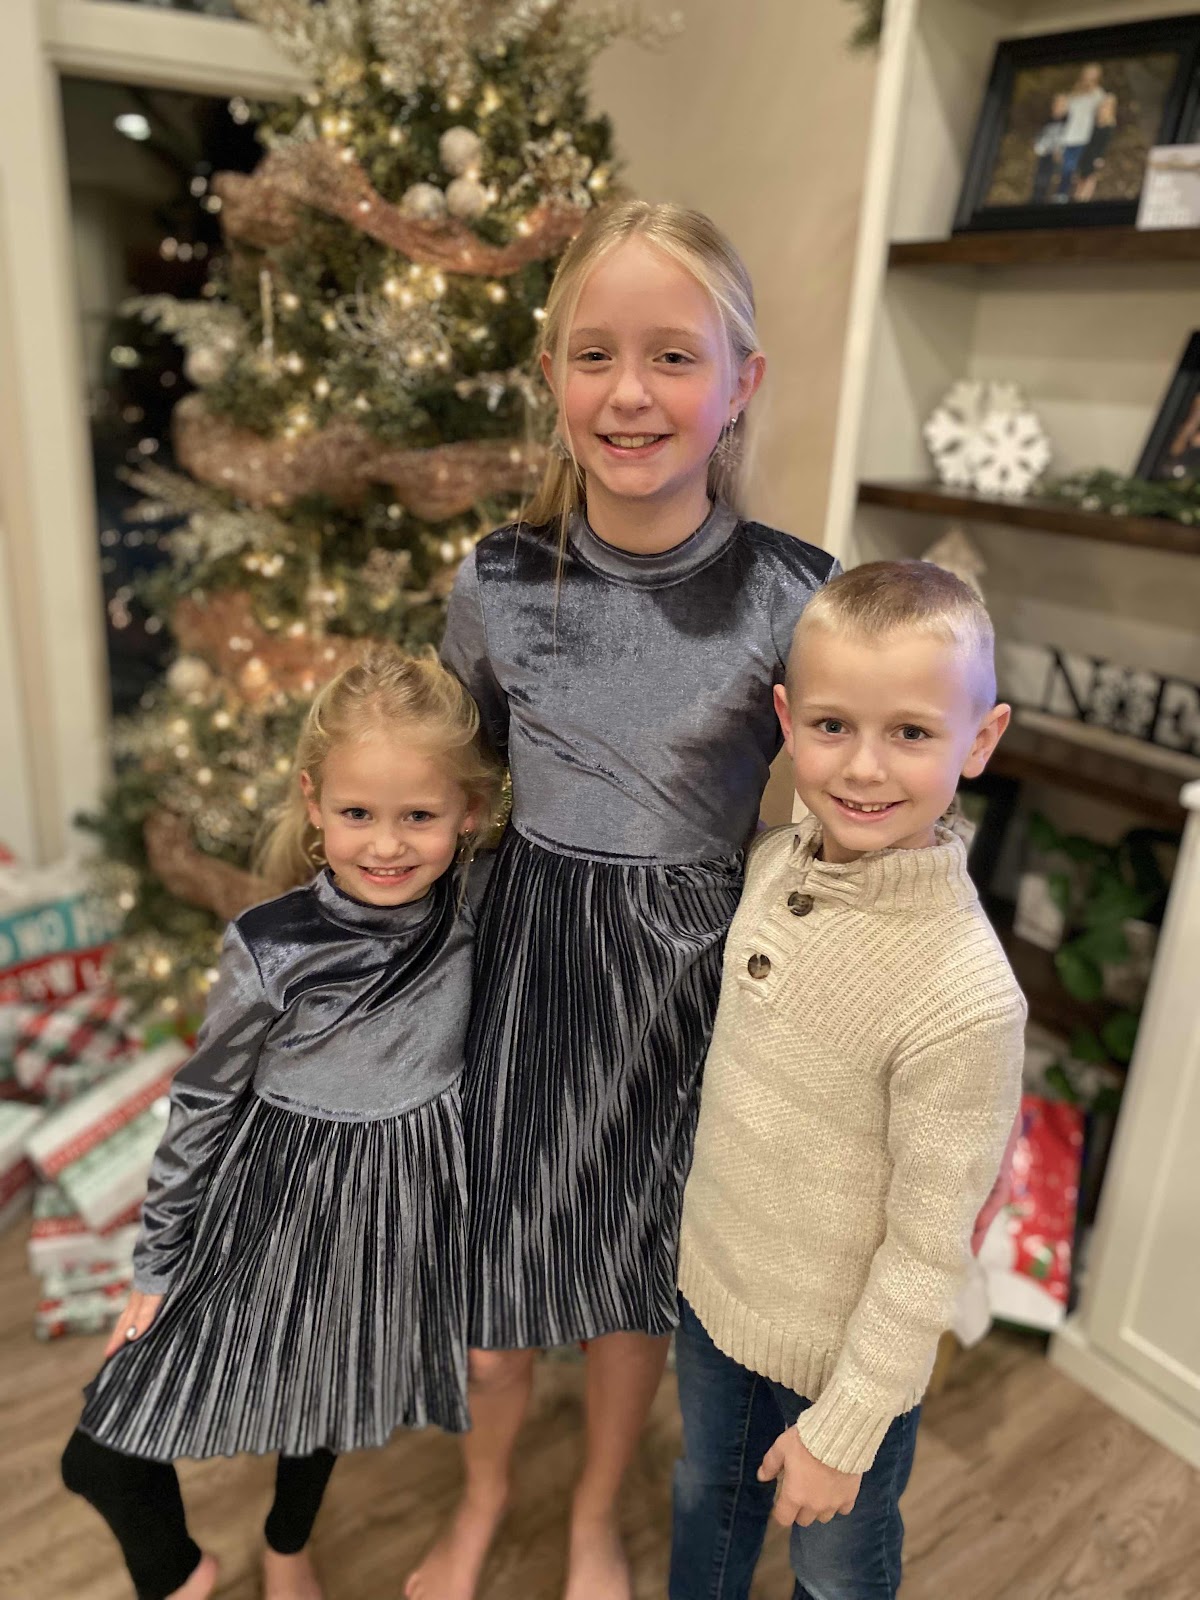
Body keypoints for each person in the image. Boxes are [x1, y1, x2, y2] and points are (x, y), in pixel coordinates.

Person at [411, 200, 838, 1600]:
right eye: (594, 354)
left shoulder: (792, 597)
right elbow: (453, 779)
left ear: (741, 382)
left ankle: (594, 1514)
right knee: (492, 1313)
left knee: (629, 1289)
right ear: (553, 374)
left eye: (672, 356)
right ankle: (482, 1502)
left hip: (687, 996)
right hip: (523, 976)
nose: (630, 393)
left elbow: (858, 794)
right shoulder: (496, 579)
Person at [61, 646, 503, 1600]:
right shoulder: (272, 945)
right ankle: (179, 1572)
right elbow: (203, 1101)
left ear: (468, 812)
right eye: (358, 814)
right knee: (99, 1450)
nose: (386, 846)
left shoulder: (475, 911)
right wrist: (157, 1261)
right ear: (313, 802)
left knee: (326, 1394)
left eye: (418, 816)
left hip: (398, 1204)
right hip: (271, 1202)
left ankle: (288, 1544)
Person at [670, 560, 1027, 1600]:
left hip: (846, 1363)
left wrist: (848, 1424)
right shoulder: (772, 865)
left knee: (836, 1569)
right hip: (717, 1296)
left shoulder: (967, 998)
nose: (864, 767)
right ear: (787, 721)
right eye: (832, 726)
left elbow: (928, 1248)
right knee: (706, 1498)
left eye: (911, 732)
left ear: (980, 741)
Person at [1055, 62, 1107, 201]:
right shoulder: (1075, 91)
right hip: (1068, 136)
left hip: (1084, 137)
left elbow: (1103, 115)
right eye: (1087, 74)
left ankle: (1078, 198)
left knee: (1079, 170)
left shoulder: (1098, 93)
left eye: (1093, 75)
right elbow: (1063, 111)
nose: (1089, 78)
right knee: (1066, 168)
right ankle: (1062, 195)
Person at [1072, 92, 1119, 202]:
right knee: (1081, 175)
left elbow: (1104, 144)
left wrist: (1099, 157)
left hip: (1095, 155)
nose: (1104, 108)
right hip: (1086, 152)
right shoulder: (1094, 120)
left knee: (1090, 177)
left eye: (1107, 106)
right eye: (1103, 106)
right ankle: (1077, 195)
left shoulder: (1110, 124)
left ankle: (1085, 197)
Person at [1031, 92, 1070, 203]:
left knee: (1054, 183)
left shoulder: (1068, 122)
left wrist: (1059, 152)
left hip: (1059, 157)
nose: (1059, 108)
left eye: (1062, 105)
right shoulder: (1046, 120)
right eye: (1057, 104)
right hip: (1045, 155)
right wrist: (1040, 148)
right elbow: (1039, 139)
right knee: (1040, 181)